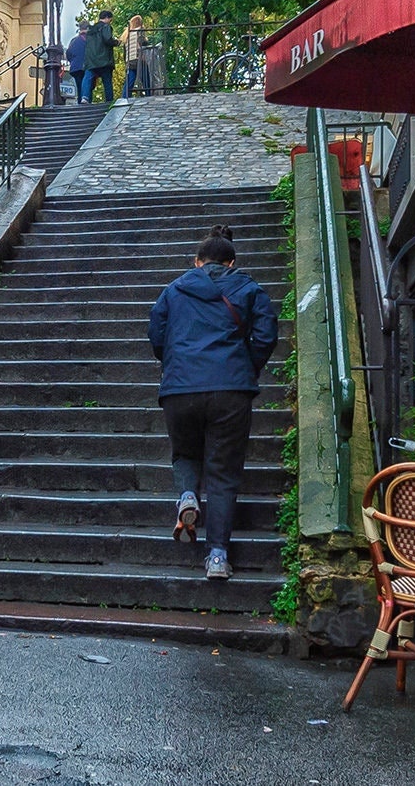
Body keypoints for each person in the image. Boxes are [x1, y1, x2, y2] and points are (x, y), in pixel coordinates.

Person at [147, 232, 279, 581]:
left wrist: (176, 365)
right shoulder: (249, 289)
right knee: (222, 473)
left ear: (196, 262)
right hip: (230, 390)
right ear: (231, 262)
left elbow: (156, 333)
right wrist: (244, 368)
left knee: (185, 453)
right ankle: (217, 556)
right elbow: (266, 335)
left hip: (179, 390)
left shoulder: (173, 290)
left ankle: (188, 496)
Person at [85, 13, 118, 103]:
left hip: (92, 59)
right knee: (107, 81)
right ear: (107, 18)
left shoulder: (90, 30)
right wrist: (116, 42)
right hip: (104, 59)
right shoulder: (105, 27)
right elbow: (107, 39)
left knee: (88, 78)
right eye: (110, 20)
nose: (110, 22)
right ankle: (109, 100)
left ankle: (85, 97)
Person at [121, 16, 150, 100]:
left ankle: (124, 97)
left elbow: (125, 51)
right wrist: (147, 42)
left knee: (129, 81)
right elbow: (142, 42)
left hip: (129, 60)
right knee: (146, 79)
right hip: (139, 58)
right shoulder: (140, 30)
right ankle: (149, 95)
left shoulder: (127, 34)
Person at [66, 25, 92, 104]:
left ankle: (80, 103)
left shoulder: (73, 40)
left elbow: (68, 53)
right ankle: (87, 102)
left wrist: (72, 61)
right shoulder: (90, 39)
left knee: (79, 86)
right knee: (88, 85)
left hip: (75, 67)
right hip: (87, 65)